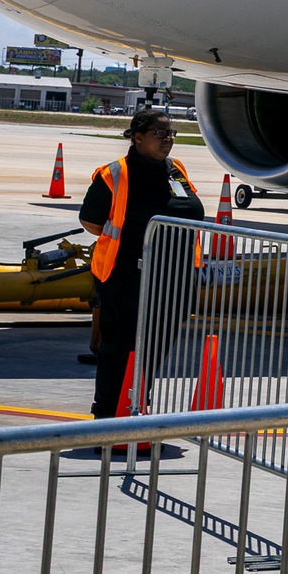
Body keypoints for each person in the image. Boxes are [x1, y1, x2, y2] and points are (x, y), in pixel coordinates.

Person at [78, 106, 206, 419]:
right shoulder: (115, 173)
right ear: (137, 138)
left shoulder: (175, 169)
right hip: (127, 276)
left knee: (155, 345)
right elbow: (92, 221)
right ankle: (107, 414)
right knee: (119, 348)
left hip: (174, 276)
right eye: (160, 133)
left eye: (171, 133)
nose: (168, 139)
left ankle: (135, 405)